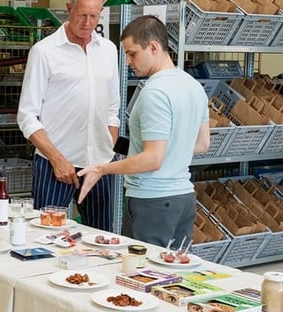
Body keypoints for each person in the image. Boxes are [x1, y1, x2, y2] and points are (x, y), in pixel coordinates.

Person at [77, 15, 210, 247]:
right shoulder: (193, 86)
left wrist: (101, 168)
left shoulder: (154, 92)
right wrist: (136, 147)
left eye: (132, 53)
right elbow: (201, 144)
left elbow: (152, 159)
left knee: (141, 275)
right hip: (184, 199)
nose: (128, 61)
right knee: (172, 276)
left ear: (153, 47)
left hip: (152, 201)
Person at [16, 0, 120, 232]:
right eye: (82, 14)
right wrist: (56, 158)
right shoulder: (44, 52)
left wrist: (106, 150)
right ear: (68, 9)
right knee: (46, 239)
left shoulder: (108, 50)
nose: (87, 23)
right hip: (55, 164)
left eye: (94, 16)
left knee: (100, 241)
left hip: (99, 166)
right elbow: (27, 116)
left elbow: (113, 110)